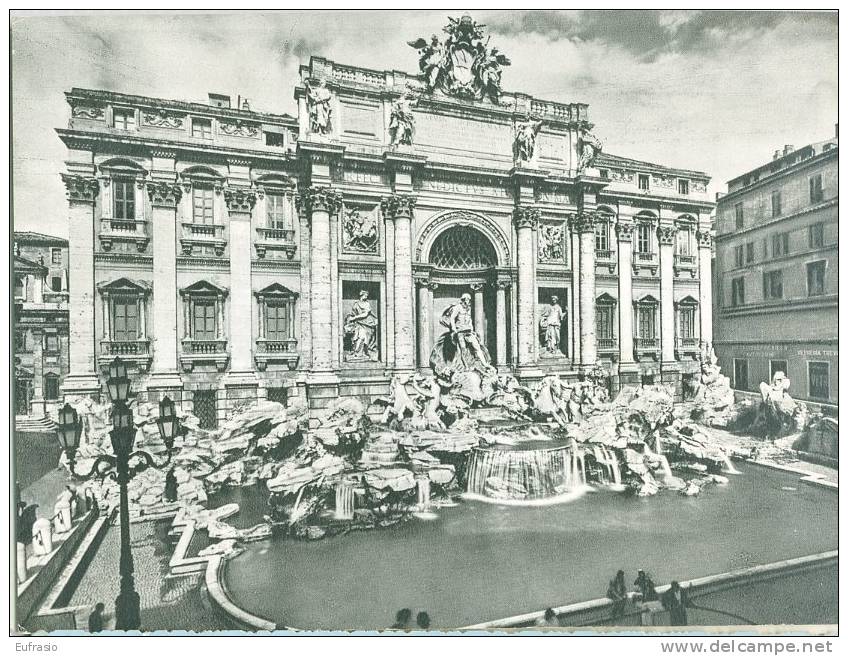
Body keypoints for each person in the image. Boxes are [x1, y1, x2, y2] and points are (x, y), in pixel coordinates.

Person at [344, 290, 379, 360]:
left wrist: (354, 318)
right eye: (365, 295)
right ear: (361, 295)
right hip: (358, 323)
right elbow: (353, 313)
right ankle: (357, 353)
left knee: (363, 338)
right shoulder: (356, 304)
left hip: (367, 323)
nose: (366, 297)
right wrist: (349, 318)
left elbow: (365, 314)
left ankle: (362, 353)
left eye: (367, 296)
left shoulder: (367, 304)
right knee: (357, 338)